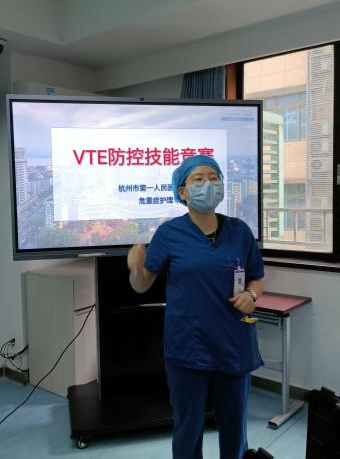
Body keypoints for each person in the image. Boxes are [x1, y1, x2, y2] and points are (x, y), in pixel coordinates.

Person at [127, 154, 264, 459]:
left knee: (234, 426)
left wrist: (251, 295)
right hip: (188, 345)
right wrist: (136, 268)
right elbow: (142, 284)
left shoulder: (240, 231)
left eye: (214, 178)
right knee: (188, 427)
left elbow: (257, 278)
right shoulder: (169, 233)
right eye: (199, 179)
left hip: (233, 343)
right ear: (183, 192)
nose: (208, 184)